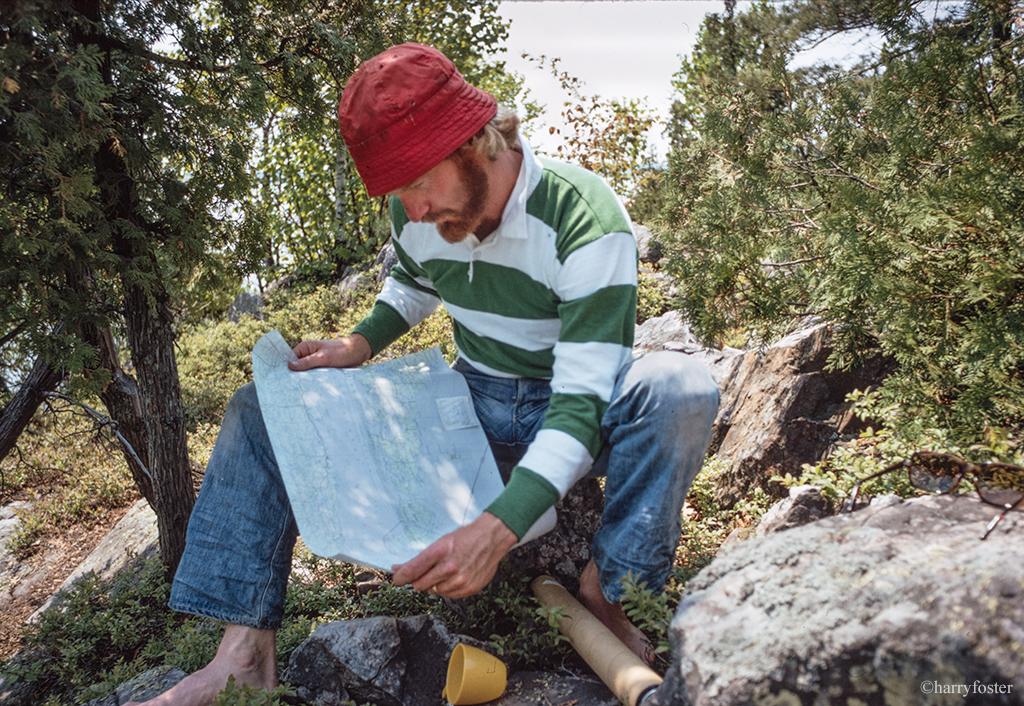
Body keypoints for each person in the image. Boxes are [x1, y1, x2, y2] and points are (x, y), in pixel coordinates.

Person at [130, 43, 719, 706]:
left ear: (473, 140)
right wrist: (358, 344)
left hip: (576, 405)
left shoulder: (581, 217)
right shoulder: (417, 213)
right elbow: (413, 283)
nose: (409, 209)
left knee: (681, 389)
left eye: (417, 181)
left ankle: (609, 588)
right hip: (472, 407)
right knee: (263, 405)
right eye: (396, 191)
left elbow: (580, 408)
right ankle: (243, 653)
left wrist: (493, 533)